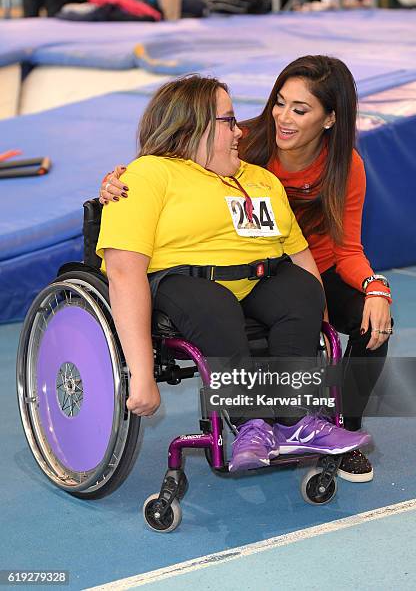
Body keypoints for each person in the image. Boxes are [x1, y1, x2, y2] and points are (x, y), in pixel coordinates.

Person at [100, 57, 391, 483]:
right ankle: (252, 423)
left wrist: (334, 308)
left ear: (329, 119)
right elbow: (125, 271)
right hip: (187, 283)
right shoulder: (152, 175)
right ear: (193, 125)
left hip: (259, 274)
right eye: (230, 121)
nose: (243, 130)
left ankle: (300, 420)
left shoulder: (256, 178)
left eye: (300, 109)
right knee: (213, 302)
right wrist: (141, 373)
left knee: (302, 291)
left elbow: (306, 252)